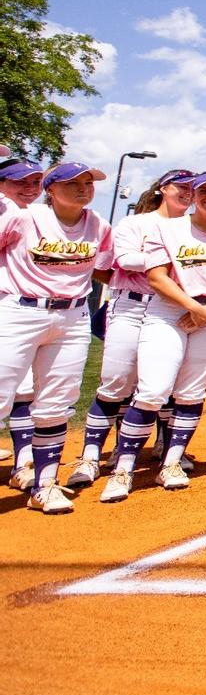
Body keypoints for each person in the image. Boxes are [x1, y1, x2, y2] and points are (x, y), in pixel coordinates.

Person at [102, 171, 206, 501]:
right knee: (153, 390)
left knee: (192, 393)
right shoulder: (166, 229)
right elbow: (156, 277)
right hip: (168, 311)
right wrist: (192, 307)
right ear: (195, 194)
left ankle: (171, 463)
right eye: (204, 190)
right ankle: (123, 468)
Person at [63, 168, 196, 491]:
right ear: (164, 188)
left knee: (164, 382)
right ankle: (91, 456)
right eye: (182, 187)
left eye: (193, 188)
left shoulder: (193, 227)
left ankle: (163, 449)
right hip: (132, 305)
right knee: (116, 382)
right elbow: (116, 262)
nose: (188, 193)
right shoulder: (136, 223)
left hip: (172, 308)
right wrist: (173, 261)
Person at [0, 161, 113, 513]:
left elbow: (106, 269)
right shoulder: (24, 218)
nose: (83, 189)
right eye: (72, 183)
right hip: (20, 311)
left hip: (73, 317)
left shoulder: (99, 225)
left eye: (88, 183)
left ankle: (45, 484)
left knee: (56, 401)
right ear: (51, 189)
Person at [0, 157, 46, 474]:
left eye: (35, 182)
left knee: (23, 388)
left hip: (16, 311)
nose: (29, 189)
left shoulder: (29, 217)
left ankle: (25, 461)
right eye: (20, 181)